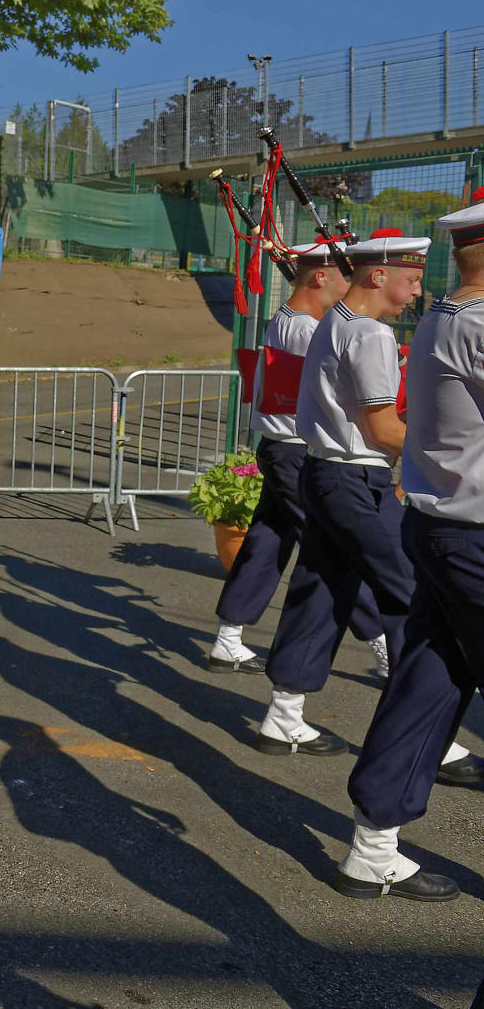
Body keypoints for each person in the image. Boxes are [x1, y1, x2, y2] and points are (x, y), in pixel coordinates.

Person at [254, 231, 475, 774]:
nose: (418, 291)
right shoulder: (371, 334)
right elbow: (381, 428)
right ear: (380, 276)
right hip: (356, 479)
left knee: (322, 589)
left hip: (326, 472)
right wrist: (442, 457)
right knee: (411, 597)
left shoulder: (335, 321)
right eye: (413, 278)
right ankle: (431, 739)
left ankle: (284, 713)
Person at [334, 198, 484, 901]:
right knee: (430, 673)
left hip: (444, 529)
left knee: (431, 679)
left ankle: (373, 843)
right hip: (473, 537)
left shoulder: (443, 319)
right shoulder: (477, 324)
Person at [207, 245, 390, 677]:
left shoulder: (284, 319)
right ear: (320, 278)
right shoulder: (310, 329)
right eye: (343, 275)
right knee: (339, 550)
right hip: (295, 450)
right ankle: (384, 645)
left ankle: (228, 637)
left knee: (267, 541)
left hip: (278, 446)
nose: (350, 285)